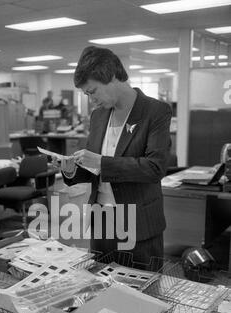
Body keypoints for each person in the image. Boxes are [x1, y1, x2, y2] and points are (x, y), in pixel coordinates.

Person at [60, 46, 172, 265]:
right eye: (86, 94)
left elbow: (155, 167)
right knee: (100, 290)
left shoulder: (155, 111)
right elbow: (93, 167)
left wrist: (102, 163)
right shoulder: (98, 116)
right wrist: (71, 168)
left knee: (142, 292)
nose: (91, 100)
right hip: (102, 220)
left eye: (92, 91)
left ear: (111, 77)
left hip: (138, 223)